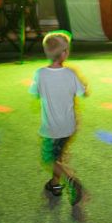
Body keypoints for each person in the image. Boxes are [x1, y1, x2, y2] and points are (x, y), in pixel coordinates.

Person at [29, 31, 88, 206]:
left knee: (49, 159)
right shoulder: (71, 74)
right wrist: (84, 85)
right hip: (68, 126)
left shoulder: (40, 74)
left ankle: (70, 179)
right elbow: (83, 93)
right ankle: (55, 184)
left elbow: (34, 94)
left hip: (51, 128)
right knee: (58, 156)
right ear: (64, 53)